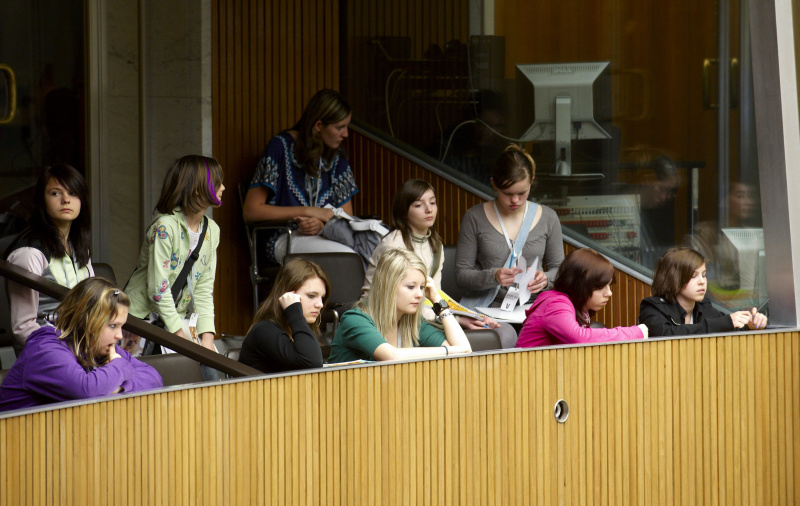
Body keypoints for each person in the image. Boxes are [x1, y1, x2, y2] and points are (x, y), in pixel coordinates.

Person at [362, 179, 516, 346]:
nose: (429, 209)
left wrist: (463, 317)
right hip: (389, 317)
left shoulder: (434, 244)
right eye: (418, 205)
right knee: (456, 345)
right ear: (404, 211)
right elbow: (394, 301)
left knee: (497, 330)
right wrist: (454, 318)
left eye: (433, 202)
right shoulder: (394, 245)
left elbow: (434, 296)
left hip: (420, 315)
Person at [0, 278, 163, 412]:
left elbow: (153, 377)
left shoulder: (96, 345)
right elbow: (87, 391)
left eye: (121, 326)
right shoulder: (45, 350)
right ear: (86, 322)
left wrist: (118, 388)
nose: (119, 335)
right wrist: (119, 366)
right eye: (113, 326)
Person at [243, 88, 359, 263]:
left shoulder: (338, 156)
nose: (346, 134)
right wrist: (308, 211)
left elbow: (346, 215)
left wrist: (321, 225)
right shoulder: (279, 147)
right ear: (319, 126)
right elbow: (251, 211)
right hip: (281, 237)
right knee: (345, 257)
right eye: (339, 127)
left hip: (324, 236)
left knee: (362, 252)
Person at [124, 155, 224, 358]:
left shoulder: (212, 230)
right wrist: (180, 337)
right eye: (217, 182)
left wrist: (207, 339)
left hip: (173, 320)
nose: (223, 187)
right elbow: (157, 289)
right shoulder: (165, 227)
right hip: (141, 321)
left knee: (212, 365)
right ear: (198, 189)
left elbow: (205, 289)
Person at [455, 145, 564, 309]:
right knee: (504, 335)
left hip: (536, 305)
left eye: (522, 193)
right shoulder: (474, 217)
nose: (515, 200)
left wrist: (546, 279)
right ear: (494, 184)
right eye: (507, 193)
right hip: (491, 305)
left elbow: (560, 270)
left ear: (532, 181)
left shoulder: (548, 217)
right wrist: (493, 276)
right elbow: (462, 275)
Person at [5, 164, 94, 349]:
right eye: (55, 193)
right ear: (42, 200)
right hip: (46, 356)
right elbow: (23, 328)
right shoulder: (29, 254)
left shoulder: (79, 248)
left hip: (82, 349)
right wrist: (66, 353)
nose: (66, 200)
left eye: (73, 193)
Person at [328, 248, 472, 362]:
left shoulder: (413, 324)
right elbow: (391, 356)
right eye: (411, 287)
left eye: (422, 287)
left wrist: (437, 300)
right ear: (387, 286)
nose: (420, 295)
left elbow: (465, 350)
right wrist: (450, 351)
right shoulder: (355, 319)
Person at [516, 248, 648, 348]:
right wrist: (635, 332)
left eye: (609, 286)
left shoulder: (575, 305)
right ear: (580, 285)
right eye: (601, 287)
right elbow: (580, 339)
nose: (609, 293)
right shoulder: (556, 303)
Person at [638, 247, 768, 337]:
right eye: (694, 276)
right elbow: (666, 335)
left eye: (704, 275)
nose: (702, 281)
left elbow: (730, 327)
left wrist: (752, 325)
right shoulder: (652, 307)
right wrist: (723, 323)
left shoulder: (705, 307)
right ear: (675, 279)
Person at [238, 258, 328, 373]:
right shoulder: (265, 330)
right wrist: (295, 312)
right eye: (311, 296)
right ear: (288, 296)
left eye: (322, 297)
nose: (320, 304)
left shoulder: (296, 329)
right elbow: (312, 363)